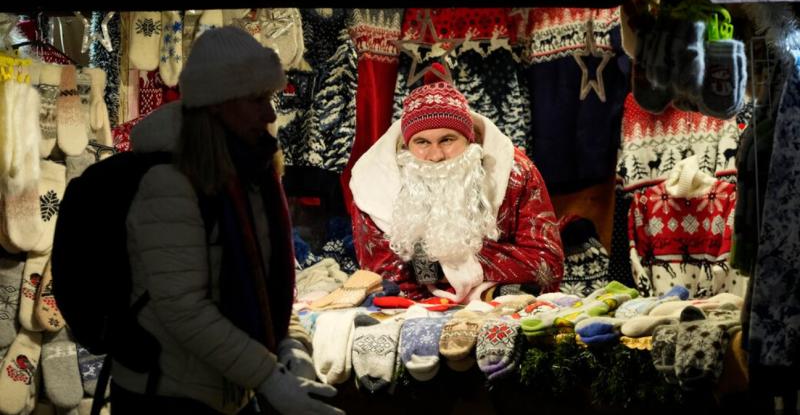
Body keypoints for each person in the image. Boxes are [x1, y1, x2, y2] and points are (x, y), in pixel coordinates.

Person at [113, 26, 342, 415]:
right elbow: (184, 308)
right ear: (218, 104)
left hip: (226, 392)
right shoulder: (169, 181)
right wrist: (268, 375)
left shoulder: (251, 173)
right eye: (256, 100)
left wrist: (292, 345)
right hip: (167, 397)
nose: (270, 113)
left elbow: (265, 284)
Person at [350, 64, 565, 302]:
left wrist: (440, 265)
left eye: (447, 140)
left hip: (499, 305)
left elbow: (548, 265)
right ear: (405, 146)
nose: (436, 156)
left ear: (470, 140)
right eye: (421, 142)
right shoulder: (372, 186)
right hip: (415, 309)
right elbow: (382, 277)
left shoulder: (516, 172)